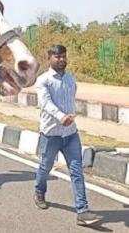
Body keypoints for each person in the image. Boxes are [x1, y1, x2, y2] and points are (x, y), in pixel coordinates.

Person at [33, 45, 102, 227]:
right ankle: (39, 191)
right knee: (45, 167)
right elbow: (45, 103)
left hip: (71, 134)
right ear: (49, 58)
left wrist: (69, 117)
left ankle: (82, 211)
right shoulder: (43, 80)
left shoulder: (71, 79)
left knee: (76, 171)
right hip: (51, 134)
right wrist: (60, 116)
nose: (62, 60)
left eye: (64, 56)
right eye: (57, 57)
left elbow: (71, 100)